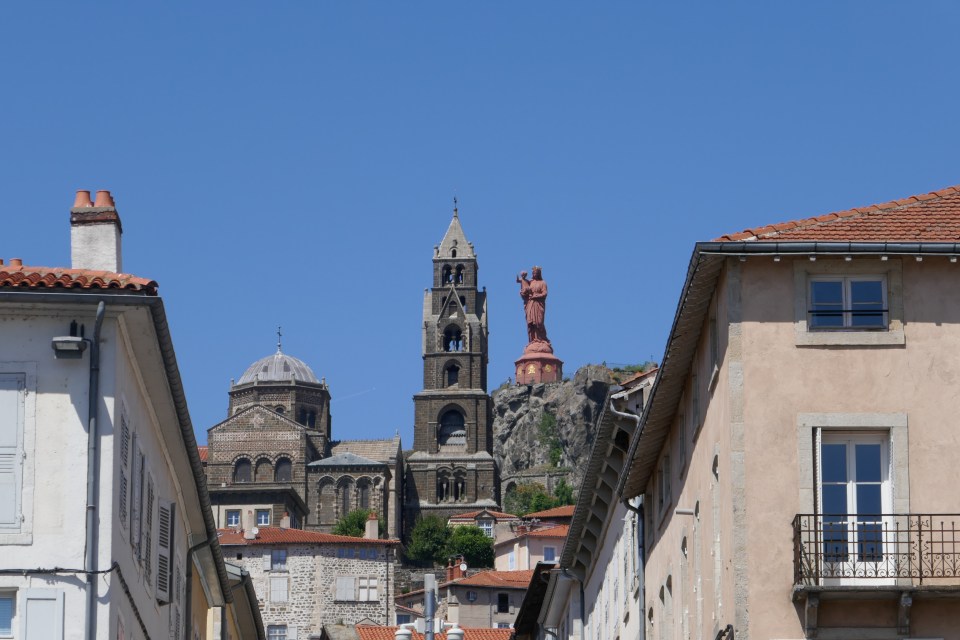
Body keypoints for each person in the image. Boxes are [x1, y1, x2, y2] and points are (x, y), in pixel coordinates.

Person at [517, 266, 549, 344]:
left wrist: (536, 296)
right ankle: (533, 339)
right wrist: (523, 293)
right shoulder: (530, 282)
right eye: (533, 273)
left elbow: (545, 293)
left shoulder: (543, 283)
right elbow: (525, 289)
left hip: (538, 304)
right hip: (530, 304)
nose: (534, 274)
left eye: (536, 273)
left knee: (538, 322)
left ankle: (541, 339)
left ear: (539, 274)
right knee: (530, 322)